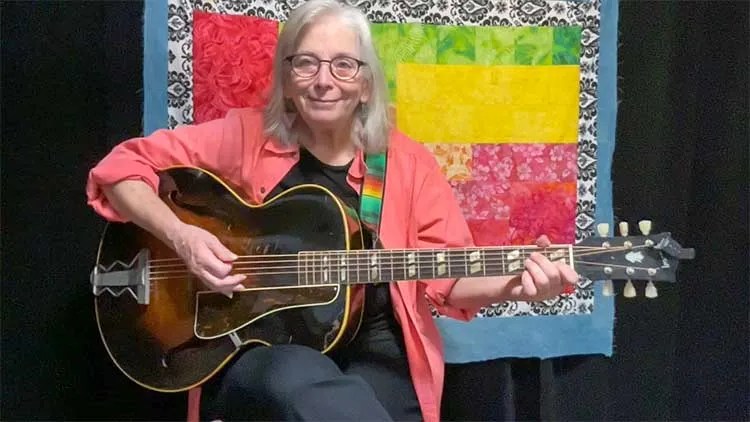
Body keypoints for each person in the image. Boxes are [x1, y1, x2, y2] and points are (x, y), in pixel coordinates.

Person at [86, 1, 578, 420]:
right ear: (287, 76)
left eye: (344, 65)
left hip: (376, 352)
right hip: (265, 351)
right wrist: (182, 237)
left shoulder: (406, 164)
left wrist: (517, 282)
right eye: (307, 64)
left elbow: (448, 278)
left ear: (366, 84)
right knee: (299, 377)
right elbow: (121, 169)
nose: (325, 81)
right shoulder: (243, 138)